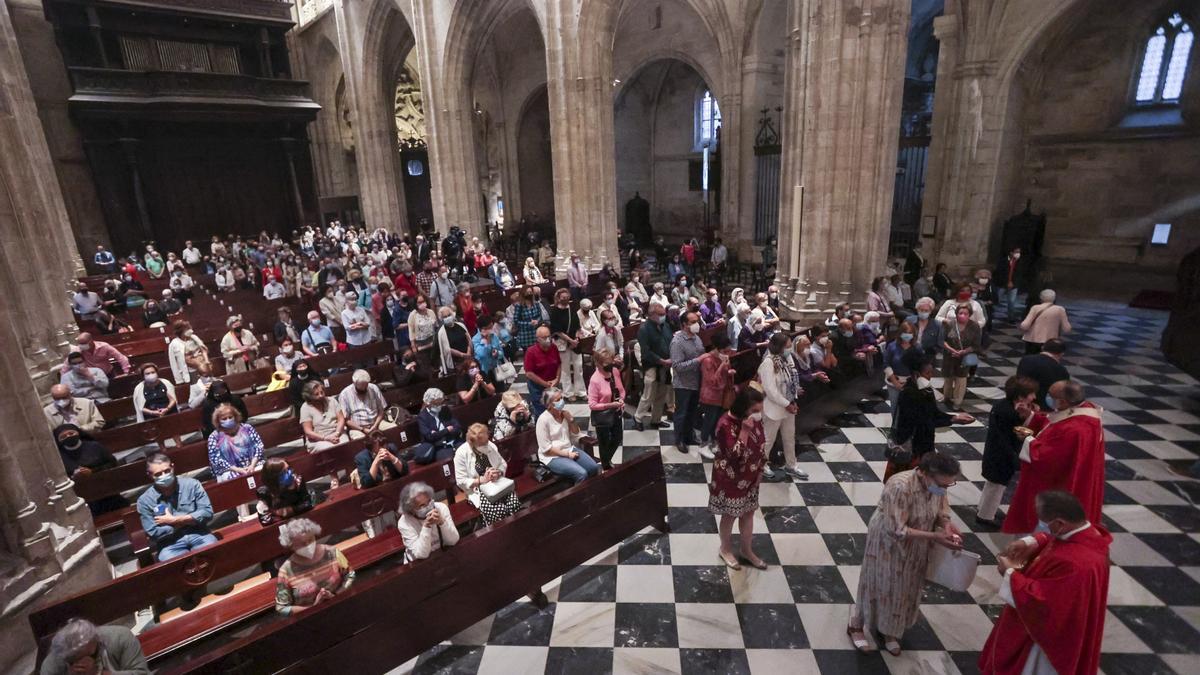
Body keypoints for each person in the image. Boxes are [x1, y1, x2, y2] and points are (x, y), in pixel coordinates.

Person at [981, 490, 1111, 675]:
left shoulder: (1077, 565)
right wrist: (1034, 541)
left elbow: (1044, 605)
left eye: (1043, 521)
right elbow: (1062, 542)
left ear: (1059, 523)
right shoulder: (1087, 535)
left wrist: (1009, 573)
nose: (1042, 525)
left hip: (1045, 642)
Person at [849, 451, 963, 655]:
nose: (944, 489)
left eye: (949, 485)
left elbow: (941, 507)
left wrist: (945, 524)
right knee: (879, 582)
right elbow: (897, 529)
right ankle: (856, 625)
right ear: (924, 474)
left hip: (918, 542)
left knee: (906, 587)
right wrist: (935, 537)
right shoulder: (900, 486)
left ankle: (889, 629)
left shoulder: (937, 484)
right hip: (888, 543)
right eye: (943, 485)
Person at [1002, 381, 1105, 534]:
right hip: (1066, 482)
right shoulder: (1083, 410)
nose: (1047, 398)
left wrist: (1028, 440)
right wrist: (1031, 417)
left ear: (1063, 401)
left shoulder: (1076, 429)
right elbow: (1057, 423)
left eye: (1051, 396)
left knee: (1043, 530)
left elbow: (1047, 458)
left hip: (1057, 487)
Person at [709, 388, 769, 570]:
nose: (758, 415)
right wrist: (744, 431)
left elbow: (761, 444)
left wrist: (760, 469)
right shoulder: (725, 424)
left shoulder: (753, 421)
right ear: (743, 408)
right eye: (754, 411)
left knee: (748, 512)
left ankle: (746, 550)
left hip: (751, 477)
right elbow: (732, 455)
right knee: (731, 515)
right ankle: (725, 549)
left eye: (759, 410)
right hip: (730, 479)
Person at [886, 359, 974, 481]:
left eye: (931, 372)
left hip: (924, 442)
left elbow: (933, 413)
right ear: (916, 374)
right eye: (928, 373)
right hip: (911, 446)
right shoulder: (908, 393)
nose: (931, 376)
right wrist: (952, 420)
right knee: (908, 482)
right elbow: (923, 420)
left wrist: (954, 417)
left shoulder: (925, 390)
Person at [976, 376, 1039, 528]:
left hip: (996, 452)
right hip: (1003, 456)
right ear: (1020, 396)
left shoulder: (1002, 405)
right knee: (997, 486)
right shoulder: (1010, 412)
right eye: (1031, 393)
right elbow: (1017, 434)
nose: (1034, 397)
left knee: (992, 484)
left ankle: (983, 509)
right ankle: (986, 516)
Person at [137, 453, 217, 562]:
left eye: (167, 471)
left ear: (173, 467)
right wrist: (184, 522)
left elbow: (207, 513)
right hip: (169, 544)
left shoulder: (192, 485)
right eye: (158, 474)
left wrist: (174, 520)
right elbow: (152, 532)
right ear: (150, 475)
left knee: (213, 550)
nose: (164, 476)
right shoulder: (145, 500)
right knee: (171, 562)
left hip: (199, 533)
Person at [274, 518, 355, 615]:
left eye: (311, 540)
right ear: (291, 546)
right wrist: (313, 608)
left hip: (341, 607)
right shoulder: (286, 570)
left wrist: (335, 596)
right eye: (302, 544)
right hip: (310, 618)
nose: (308, 545)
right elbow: (282, 608)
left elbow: (350, 574)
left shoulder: (332, 552)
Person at [759, 332, 808, 479]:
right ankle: (761, 465)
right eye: (787, 346)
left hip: (788, 404)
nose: (789, 349)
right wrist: (787, 404)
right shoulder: (768, 363)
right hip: (773, 407)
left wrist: (793, 399)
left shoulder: (787, 359)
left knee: (789, 437)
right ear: (779, 347)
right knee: (768, 439)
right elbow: (770, 390)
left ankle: (791, 465)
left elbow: (790, 379)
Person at [455, 423, 522, 525]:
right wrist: (482, 480)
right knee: (498, 510)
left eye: (486, 441)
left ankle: (516, 530)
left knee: (513, 504)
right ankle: (498, 535)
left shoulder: (490, 445)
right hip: (477, 490)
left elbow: (502, 463)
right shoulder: (461, 453)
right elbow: (460, 481)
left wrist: (498, 473)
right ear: (472, 443)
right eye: (482, 445)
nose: (486, 445)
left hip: (498, 484)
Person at [53, 424, 126, 515]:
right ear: (58, 441)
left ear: (78, 433)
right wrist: (73, 477)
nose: (68, 437)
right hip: (79, 494)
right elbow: (59, 477)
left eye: (71, 433)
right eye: (63, 436)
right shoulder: (58, 457)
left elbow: (112, 463)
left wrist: (92, 472)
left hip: (105, 487)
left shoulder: (94, 446)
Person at [536, 387, 601, 484]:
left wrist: (571, 420)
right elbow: (546, 449)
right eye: (558, 400)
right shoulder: (543, 420)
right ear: (549, 405)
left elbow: (576, 433)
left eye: (561, 398)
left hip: (569, 449)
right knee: (581, 474)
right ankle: (580, 498)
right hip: (552, 457)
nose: (561, 401)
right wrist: (567, 455)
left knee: (593, 467)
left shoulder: (564, 414)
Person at [40, 618, 149, 675]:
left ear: (97, 639)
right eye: (74, 660)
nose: (82, 665)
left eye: (92, 655)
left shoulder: (121, 637)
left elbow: (142, 673)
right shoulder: (52, 665)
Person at [669, 311, 705, 454]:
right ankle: (679, 440)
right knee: (681, 413)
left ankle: (689, 436)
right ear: (684, 324)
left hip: (696, 381)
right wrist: (698, 361)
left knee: (692, 412)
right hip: (683, 384)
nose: (697, 324)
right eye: (693, 322)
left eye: (697, 321)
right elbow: (677, 366)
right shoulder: (677, 342)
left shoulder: (697, 338)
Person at [398, 481, 461, 562]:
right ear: (411, 509)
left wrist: (442, 522)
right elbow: (421, 554)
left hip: (442, 555)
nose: (428, 507)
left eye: (429, 501)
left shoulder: (441, 508)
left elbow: (453, 540)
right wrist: (426, 526)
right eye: (422, 505)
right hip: (417, 563)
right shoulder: (404, 523)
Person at [635, 303, 673, 432]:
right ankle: (638, 418)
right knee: (649, 394)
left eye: (664, 314)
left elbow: (670, 342)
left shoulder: (666, 326)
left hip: (666, 366)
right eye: (661, 315)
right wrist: (661, 360)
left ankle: (656, 420)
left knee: (662, 393)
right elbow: (646, 351)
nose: (664, 317)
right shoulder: (644, 329)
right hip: (652, 366)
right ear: (652, 315)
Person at [587, 348, 626, 470]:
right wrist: (610, 405)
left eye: (610, 361)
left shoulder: (614, 371)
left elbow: (621, 390)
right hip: (602, 415)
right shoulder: (595, 380)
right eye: (606, 363)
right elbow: (592, 404)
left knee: (617, 438)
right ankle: (606, 466)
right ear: (598, 364)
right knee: (604, 442)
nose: (609, 365)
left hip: (616, 412)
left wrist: (621, 400)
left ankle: (606, 460)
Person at [206, 403, 264, 484]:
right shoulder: (214, 437)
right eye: (224, 419)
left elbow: (259, 446)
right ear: (218, 421)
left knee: (264, 472)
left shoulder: (247, 428)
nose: (228, 420)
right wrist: (237, 469)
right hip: (229, 470)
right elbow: (216, 460)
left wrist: (252, 465)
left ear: (235, 416)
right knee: (232, 479)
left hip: (254, 464)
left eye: (230, 417)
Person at [941, 303, 981, 410]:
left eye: (966, 313)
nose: (963, 315)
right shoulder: (949, 324)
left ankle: (957, 402)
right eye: (960, 313)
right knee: (948, 378)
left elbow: (976, 345)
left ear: (970, 314)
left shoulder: (975, 327)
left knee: (961, 380)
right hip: (949, 356)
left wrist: (963, 352)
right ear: (956, 314)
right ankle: (946, 397)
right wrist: (951, 350)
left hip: (964, 358)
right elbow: (943, 340)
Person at [549, 288, 586, 401]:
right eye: (563, 298)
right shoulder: (554, 311)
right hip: (562, 342)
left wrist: (576, 339)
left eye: (567, 297)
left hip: (575, 341)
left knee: (578, 366)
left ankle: (580, 391)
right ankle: (568, 393)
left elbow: (577, 325)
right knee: (565, 369)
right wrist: (570, 341)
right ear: (558, 298)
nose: (565, 300)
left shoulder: (572, 308)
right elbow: (557, 331)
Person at [883, 322, 920, 426]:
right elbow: (886, 364)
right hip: (894, 381)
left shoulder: (917, 347)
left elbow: (920, 366)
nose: (907, 336)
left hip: (911, 382)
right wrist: (895, 383)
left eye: (910, 333)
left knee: (909, 408)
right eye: (905, 333)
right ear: (900, 333)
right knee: (895, 408)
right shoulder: (892, 346)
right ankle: (895, 430)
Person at [256, 457, 313, 523]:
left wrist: (290, 510)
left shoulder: (298, 481)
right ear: (273, 477)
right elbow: (265, 519)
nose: (290, 473)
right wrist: (281, 516)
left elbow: (308, 504)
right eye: (284, 472)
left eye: (288, 469)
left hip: (302, 521)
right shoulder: (264, 492)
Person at [415, 388, 464, 463]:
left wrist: (438, 434)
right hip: (439, 448)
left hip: (455, 441)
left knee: (467, 452)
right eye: (436, 403)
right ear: (428, 403)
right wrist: (446, 430)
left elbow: (457, 427)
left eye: (440, 402)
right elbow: (429, 437)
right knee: (448, 460)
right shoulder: (422, 417)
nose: (440, 405)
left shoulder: (445, 410)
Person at [1016, 338, 1070, 406]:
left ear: (1042, 347)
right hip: (1044, 407)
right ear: (1061, 354)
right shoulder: (1062, 371)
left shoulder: (1025, 359)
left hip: (1020, 401)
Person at [337, 369, 389, 437]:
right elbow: (346, 419)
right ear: (354, 383)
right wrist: (362, 429)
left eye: (366, 385)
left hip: (377, 423)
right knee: (359, 438)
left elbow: (381, 410)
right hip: (357, 428)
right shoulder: (344, 394)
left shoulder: (373, 388)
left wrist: (375, 425)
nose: (364, 388)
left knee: (393, 428)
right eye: (361, 386)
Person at [300, 381, 349, 452]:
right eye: (316, 394)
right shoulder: (305, 408)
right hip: (318, 439)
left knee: (344, 444)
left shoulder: (331, 400)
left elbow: (341, 419)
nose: (320, 395)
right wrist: (325, 438)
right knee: (328, 449)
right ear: (309, 396)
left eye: (322, 392)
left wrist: (337, 433)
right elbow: (308, 431)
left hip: (337, 433)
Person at [1019, 289, 1071, 355]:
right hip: (1050, 342)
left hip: (1033, 340)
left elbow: (1025, 325)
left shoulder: (1035, 308)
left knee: (1031, 359)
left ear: (1041, 298)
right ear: (1054, 298)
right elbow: (1067, 328)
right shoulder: (1060, 309)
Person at [62, 333, 129, 377]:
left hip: (108, 374)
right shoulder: (77, 350)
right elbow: (66, 365)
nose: (81, 346)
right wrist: (64, 379)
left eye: (83, 343)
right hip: (91, 376)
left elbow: (121, 358)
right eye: (80, 344)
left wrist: (126, 373)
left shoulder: (104, 346)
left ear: (91, 341)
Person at [472, 315, 509, 393]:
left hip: (496, 368)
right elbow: (481, 355)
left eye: (491, 326)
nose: (491, 329)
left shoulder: (494, 336)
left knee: (501, 391)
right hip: (484, 371)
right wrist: (487, 342)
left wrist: (497, 354)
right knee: (489, 394)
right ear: (482, 328)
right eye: (489, 327)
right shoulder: (475, 339)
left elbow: (501, 352)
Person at [167, 320, 209, 384]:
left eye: (189, 328)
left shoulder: (194, 338)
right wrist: (179, 380)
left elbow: (204, 349)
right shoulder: (174, 344)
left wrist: (206, 361)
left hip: (202, 368)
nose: (190, 330)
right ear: (180, 331)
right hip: (189, 373)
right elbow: (173, 363)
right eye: (186, 329)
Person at [994, 246, 1029, 322]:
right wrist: (1007, 282)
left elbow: (1019, 274)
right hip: (1002, 284)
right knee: (997, 300)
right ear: (1011, 252)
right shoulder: (1003, 261)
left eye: (1019, 252)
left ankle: (1011, 317)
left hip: (1014, 285)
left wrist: (1013, 283)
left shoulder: (1020, 262)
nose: (1018, 254)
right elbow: (1000, 273)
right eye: (1016, 252)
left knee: (1011, 301)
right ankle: (992, 314)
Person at [435, 306, 470, 376]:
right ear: (441, 319)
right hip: (456, 362)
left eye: (449, 315)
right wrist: (462, 355)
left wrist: (468, 353)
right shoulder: (441, 332)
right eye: (445, 317)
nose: (448, 317)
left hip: (468, 357)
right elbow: (447, 349)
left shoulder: (461, 325)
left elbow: (469, 340)